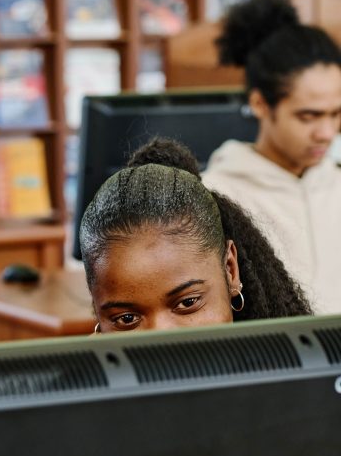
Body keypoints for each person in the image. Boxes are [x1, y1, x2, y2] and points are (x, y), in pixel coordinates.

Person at [80, 137, 311, 333]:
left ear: (230, 270)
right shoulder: (81, 384)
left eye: (188, 303)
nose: (161, 339)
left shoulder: (308, 383)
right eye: (127, 319)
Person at [204, 0, 341, 313]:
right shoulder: (217, 196)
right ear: (260, 104)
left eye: (336, 114)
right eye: (308, 116)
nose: (327, 132)